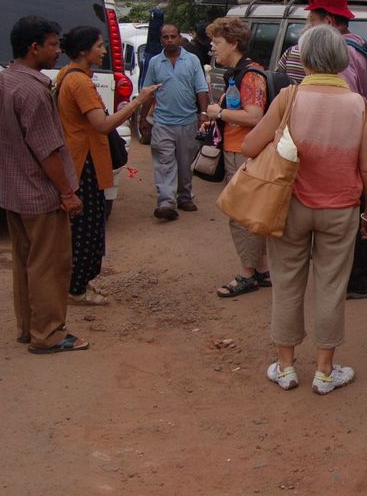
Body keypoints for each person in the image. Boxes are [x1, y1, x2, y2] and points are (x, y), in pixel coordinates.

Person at [242, 25, 367, 393]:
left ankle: (285, 367)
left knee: (286, 284)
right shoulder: (357, 104)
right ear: (340, 59)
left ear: (303, 58)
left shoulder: (289, 97)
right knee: (332, 288)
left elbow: (250, 146)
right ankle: (324, 371)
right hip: (342, 209)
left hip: (291, 206)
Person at [0, 16, 88, 354]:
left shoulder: (2, 81)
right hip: (40, 194)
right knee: (49, 264)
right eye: (53, 44)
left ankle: (27, 328)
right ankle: (47, 334)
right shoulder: (34, 90)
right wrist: (67, 192)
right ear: (35, 48)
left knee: (25, 262)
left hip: (13, 190)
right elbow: (47, 150)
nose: (58, 51)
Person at [55, 26, 158, 304]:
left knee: (83, 229)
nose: (103, 51)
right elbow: (102, 125)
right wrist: (138, 101)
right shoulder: (80, 83)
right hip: (85, 162)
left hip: (81, 159)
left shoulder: (69, 75)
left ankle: (77, 285)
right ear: (83, 51)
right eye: (99, 46)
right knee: (86, 231)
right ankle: (77, 289)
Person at [205, 17, 271, 298]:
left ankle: (247, 275)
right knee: (247, 214)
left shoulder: (250, 75)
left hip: (244, 153)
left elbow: (254, 116)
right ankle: (261, 270)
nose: (213, 48)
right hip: (237, 150)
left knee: (240, 216)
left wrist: (218, 114)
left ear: (233, 43)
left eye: (217, 42)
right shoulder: (238, 73)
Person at [141, 24, 210, 221]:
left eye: (173, 36)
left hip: (188, 121)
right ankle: (166, 203)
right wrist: (143, 119)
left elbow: (201, 89)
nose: (169, 40)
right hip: (162, 122)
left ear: (179, 38)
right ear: (161, 40)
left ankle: (185, 197)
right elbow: (148, 93)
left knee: (185, 162)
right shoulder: (155, 62)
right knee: (164, 162)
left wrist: (203, 114)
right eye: (165, 37)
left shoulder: (192, 60)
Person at [276, 0, 367, 94]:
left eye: (312, 20)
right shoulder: (360, 44)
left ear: (328, 21)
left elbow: (344, 94)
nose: (309, 25)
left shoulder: (336, 51)